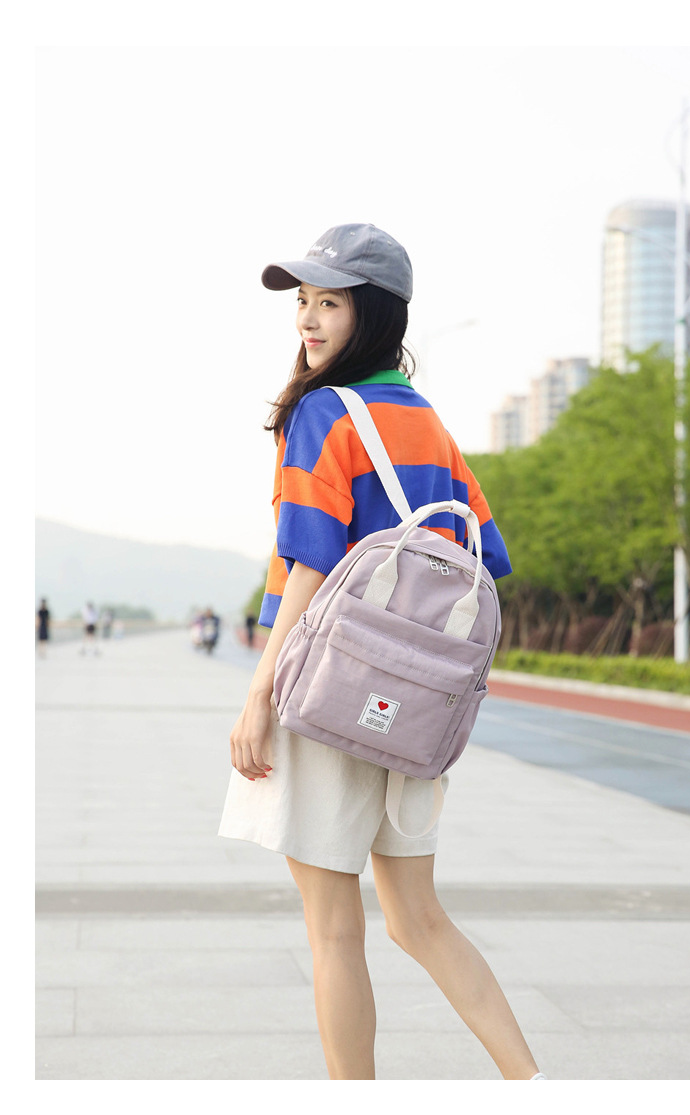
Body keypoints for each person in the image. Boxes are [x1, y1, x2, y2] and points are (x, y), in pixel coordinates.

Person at [218, 224, 546, 1081]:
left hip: (327, 689)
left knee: (334, 929)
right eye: (303, 301)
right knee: (418, 918)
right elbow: (483, 554)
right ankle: (534, 1084)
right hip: (418, 705)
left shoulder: (323, 411)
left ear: (374, 315)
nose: (308, 319)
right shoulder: (427, 422)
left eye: (330, 303)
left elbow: (310, 561)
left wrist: (258, 695)